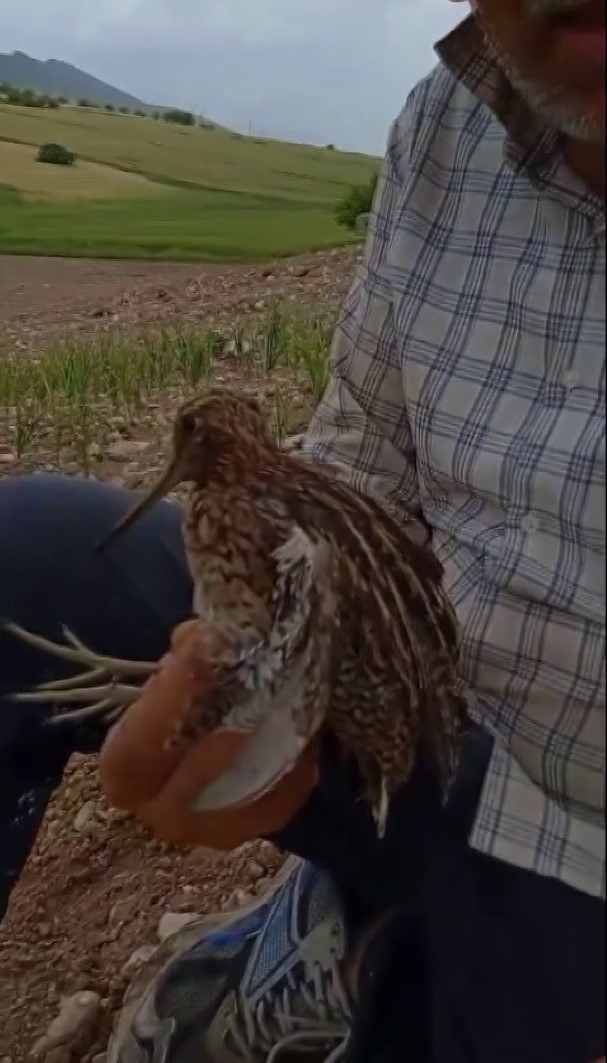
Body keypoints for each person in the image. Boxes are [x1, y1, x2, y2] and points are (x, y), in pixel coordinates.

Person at [0, 1, 604, 1060]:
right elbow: (361, 454)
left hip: (577, 852)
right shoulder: (450, 123)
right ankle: (368, 899)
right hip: (417, 701)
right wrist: (272, 695)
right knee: (22, 549)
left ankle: (382, 943)